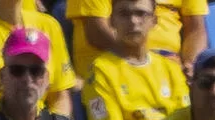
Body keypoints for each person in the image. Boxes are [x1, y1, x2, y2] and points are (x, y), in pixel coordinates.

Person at [82, 0, 187, 120]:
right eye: (124, 14)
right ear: (112, 21)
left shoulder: (171, 69)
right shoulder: (101, 69)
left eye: (141, 14)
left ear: (154, 21)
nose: (133, 21)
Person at [65, 0, 205, 79]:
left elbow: (196, 29)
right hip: (112, 70)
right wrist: (146, 62)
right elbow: (97, 32)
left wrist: (190, 65)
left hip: (171, 68)